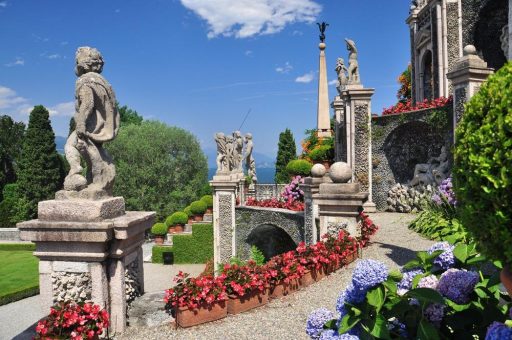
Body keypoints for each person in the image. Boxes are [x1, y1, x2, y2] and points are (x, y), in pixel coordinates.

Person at [63, 47, 119, 195]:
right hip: (100, 126)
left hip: (89, 125)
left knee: (70, 145)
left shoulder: (84, 80)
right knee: (92, 153)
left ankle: (75, 168)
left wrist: (80, 123)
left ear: (82, 63)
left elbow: (88, 103)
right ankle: (96, 180)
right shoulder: (103, 82)